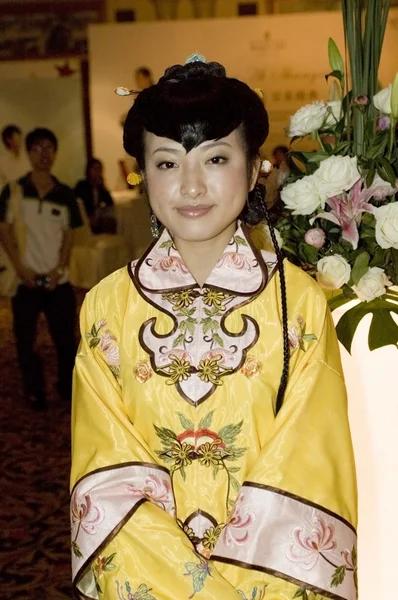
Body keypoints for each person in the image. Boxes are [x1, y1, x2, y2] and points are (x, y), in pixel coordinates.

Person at [70, 58, 357, 600]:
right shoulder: (106, 308)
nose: (192, 185)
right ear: (143, 174)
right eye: (167, 163)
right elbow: (105, 480)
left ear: (252, 172)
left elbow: (307, 468)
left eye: (216, 158)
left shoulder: (298, 304)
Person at [0, 127, 82, 410]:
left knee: (66, 341)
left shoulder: (65, 195)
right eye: (38, 148)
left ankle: (66, 388)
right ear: (29, 152)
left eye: (50, 148)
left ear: (55, 153)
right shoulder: (15, 191)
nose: (44, 154)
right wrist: (22, 271)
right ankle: (34, 391)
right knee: (25, 342)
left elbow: (70, 237)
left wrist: (59, 270)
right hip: (26, 281)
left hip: (57, 280)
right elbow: (4, 232)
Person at [74, 158, 116, 234]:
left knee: (111, 221)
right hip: (84, 219)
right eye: (94, 169)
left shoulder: (100, 188)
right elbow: (77, 205)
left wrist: (103, 186)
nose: (97, 172)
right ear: (88, 170)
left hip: (97, 219)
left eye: (99, 169)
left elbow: (110, 203)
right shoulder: (81, 186)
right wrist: (88, 217)